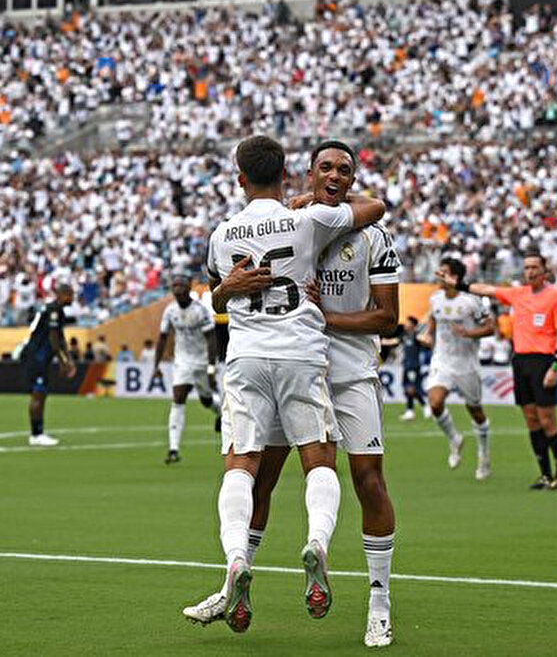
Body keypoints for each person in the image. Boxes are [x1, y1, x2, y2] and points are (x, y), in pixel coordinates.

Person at [184, 140, 401, 647]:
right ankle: (232, 585)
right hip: (301, 364)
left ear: (352, 178)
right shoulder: (301, 220)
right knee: (263, 482)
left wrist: (328, 317)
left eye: (344, 170)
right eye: (325, 166)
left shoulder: (371, 235)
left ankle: (379, 602)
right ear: (304, 173)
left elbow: (388, 317)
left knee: (368, 481)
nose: (335, 175)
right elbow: (222, 284)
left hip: (344, 370)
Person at [451, 252, 557, 490]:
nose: (530, 271)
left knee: (548, 420)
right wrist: (460, 285)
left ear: (545, 271)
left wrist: (555, 366)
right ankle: (545, 474)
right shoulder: (519, 294)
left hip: (543, 361)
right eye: (527, 267)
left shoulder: (556, 297)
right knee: (531, 419)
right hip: (521, 361)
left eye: (535, 267)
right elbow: (488, 290)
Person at [418, 258, 497, 479]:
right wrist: (427, 334)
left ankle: (484, 455)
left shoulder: (472, 301)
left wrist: (469, 333)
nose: (438, 276)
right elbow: (434, 320)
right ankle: (455, 438)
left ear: (455, 277)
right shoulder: (435, 299)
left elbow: (491, 327)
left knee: (476, 411)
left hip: (466, 364)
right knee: (434, 402)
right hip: (442, 360)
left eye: (443, 272)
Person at [152, 273, 221, 464]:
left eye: (181, 285)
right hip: (182, 361)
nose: (177, 289)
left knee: (206, 400)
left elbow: (211, 339)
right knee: (178, 397)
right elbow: (162, 338)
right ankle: (173, 449)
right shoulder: (170, 311)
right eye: (174, 285)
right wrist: (156, 365)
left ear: (189, 288)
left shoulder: (200, 311)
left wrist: (211, 368)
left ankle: (221, 411)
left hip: (201, 361)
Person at [19, 281, 77, 446]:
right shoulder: (53, 311)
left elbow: (61, 337)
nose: (72, 298)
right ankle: (36, 434)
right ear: (61, 295)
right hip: (36, 357)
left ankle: (38, 432)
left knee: (41, 393)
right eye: (70, 295)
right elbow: (53, 338)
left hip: (39, 357)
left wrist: (68, 358)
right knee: (38, 394)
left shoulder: (55, 310)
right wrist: (62, 361)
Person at [398, 316, 429, 422]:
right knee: (408, 389)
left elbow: (426, 342)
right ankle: (413, 410)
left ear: (413, 325)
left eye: (408, 323)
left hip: (413, 366)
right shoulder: (405, 336)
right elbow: (395, 341)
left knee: (411, 389)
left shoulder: (416, 336)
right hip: (406, 366)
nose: (405, 324)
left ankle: (417, 409)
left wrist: (424, 339)